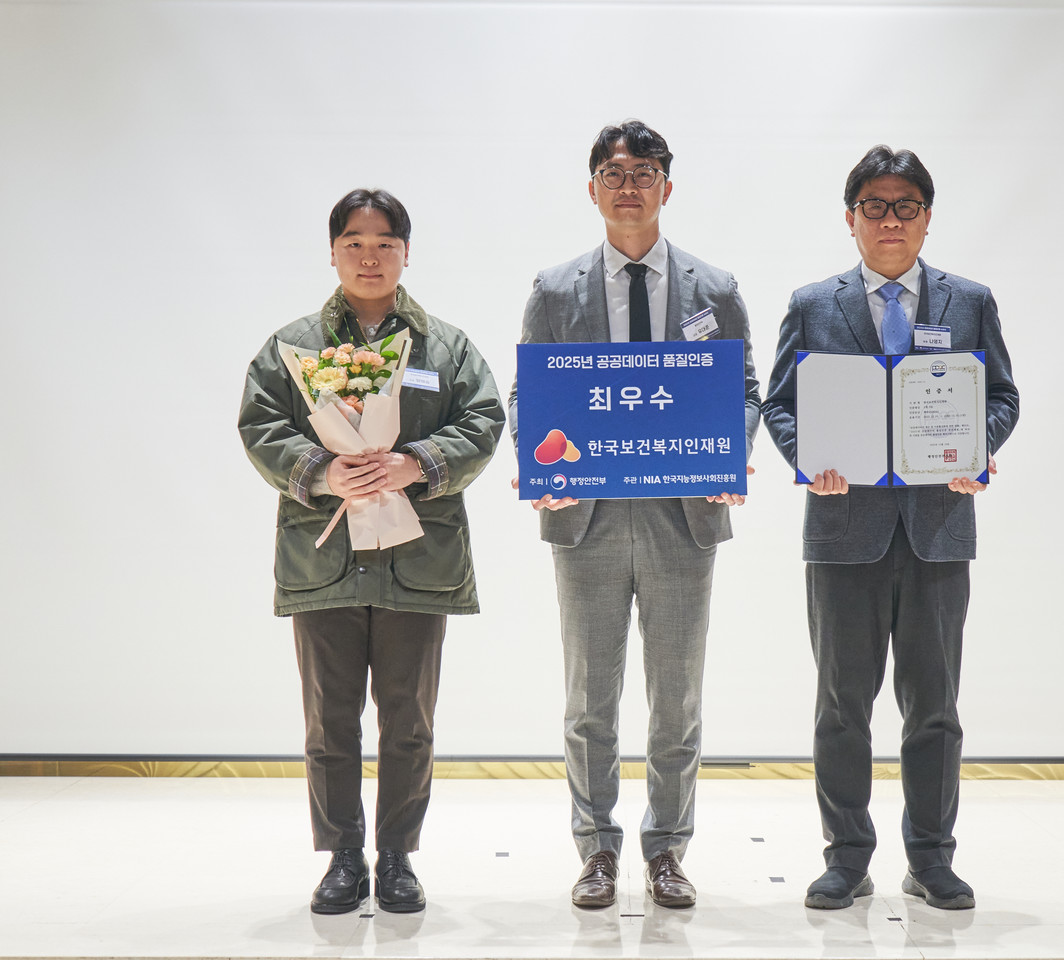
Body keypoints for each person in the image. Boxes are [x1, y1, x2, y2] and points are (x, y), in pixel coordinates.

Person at [508, 120, 760, 909]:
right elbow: (528, 396)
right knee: (591, 697)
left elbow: (744, 393)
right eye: (614, 173)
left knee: (677, 695)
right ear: (592, 189)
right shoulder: (555, 290)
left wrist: (729, 452)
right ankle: (595, 850)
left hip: (682, 516)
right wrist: (534, 467)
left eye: (644, 172)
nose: (628, 185)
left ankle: (667, 849)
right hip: (584, 514)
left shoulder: (714, 289)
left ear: (666, 188)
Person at [761, 146, 1018, 911]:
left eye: (907, 205)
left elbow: (1001, 396)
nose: (891, 220)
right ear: (851, 220)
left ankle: (932, 858)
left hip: (939, 528)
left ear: (928, 218)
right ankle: (846, 857)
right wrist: (810, 459)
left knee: (934, 704)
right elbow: (780, 404)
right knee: (842, 704)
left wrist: (980, 451)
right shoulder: (814, 304)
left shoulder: (969, 302)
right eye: (874, 205)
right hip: (844, 530)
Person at [238, 188, 504, 915]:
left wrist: (416, 462)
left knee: (408, 721)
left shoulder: (443, 347)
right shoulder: (293, 347)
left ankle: (396, 858)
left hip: (417, 560)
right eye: (354, 241)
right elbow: (261, 424)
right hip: (325, 558)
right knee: (328, 721)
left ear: (405, 253)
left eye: (384, 242)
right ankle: (343, 857)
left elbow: (484, 418)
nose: (369, 255)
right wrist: (324, 471)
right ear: (332, 251)